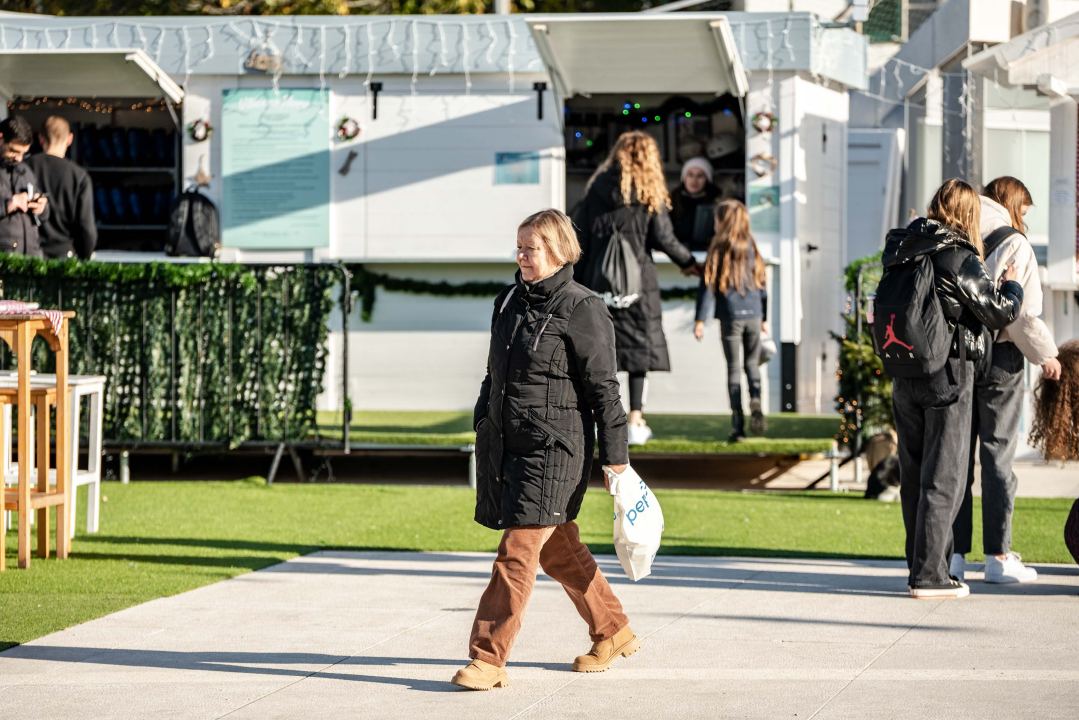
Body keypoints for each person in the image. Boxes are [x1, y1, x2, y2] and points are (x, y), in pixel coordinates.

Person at [453, 208, 637, 691]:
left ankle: (488, 659)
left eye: (529, 248)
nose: (520, 256)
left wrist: (616, 460)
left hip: (556, 449)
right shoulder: (509, 299)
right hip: (509, 444)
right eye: (518, 246)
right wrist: (482, 418)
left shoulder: (583, 307)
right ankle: (613, 630)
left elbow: (604, 391)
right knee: (557, 549)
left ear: (556, 251)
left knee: (516, 552)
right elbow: (495, 373)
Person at [885, 178, 1023, 599]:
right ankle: (931, 577)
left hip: (904, 371)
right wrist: (1011, 284)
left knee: (913, 475)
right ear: (968, 214)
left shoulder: (903, 247)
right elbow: (999, 313)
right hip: (947, 374)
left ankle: (921, 566)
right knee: (943, 475)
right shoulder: (959, 255)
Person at [949, 177, 1059, 585]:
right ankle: (997, 557)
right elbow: (1022, 316)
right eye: (1024, 212)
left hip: (957, 355)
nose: (1023, 221)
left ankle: (952, 556)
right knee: (996, 455)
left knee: (956, 455)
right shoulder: (1016, 243)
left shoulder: (956, 226)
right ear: (1014, 205)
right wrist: (1046, 355)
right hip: (1002, 357)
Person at [573, 131, 700, 446]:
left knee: (598, 351)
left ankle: (599, 418)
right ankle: (635, 420)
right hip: (638, 286)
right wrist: (690, 263)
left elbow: (580, 240)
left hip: (596, 284)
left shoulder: (595, 191)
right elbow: (664, 239)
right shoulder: (649, 194)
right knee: (638, 353)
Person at [693, 199, 769, 441]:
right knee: (752, 364)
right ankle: (755, 397)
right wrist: (764, 317)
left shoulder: (718, 247)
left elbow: (708, 286)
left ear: (723, 222)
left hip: (730, 316)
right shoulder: (752, 245)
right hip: (755, 314)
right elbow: (763, 284)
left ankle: (738, 424)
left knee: (734, 368)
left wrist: (700, 320)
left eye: (716, 219)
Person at [24, 116, 97, 259]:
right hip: (65, 255)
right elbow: (86, 228)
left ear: (40, 138)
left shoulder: (24, 168)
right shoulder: (79, 176)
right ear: (69, 139)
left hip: (30, 254)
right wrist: (84, 257)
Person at [0, 116, 48, 257]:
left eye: (23, 153)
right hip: (5, 259)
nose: (19, 158)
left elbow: (44, 213)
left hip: (31, 257)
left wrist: (42, 208)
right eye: (14, 151)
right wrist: (7, 205)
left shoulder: (25, 170)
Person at [670, 157, 720, 251]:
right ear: (684, 177)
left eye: (700, 176)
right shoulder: (671, 201)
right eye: (690, 175)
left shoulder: (716, 203)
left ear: (707, 179)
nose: (694, 181)